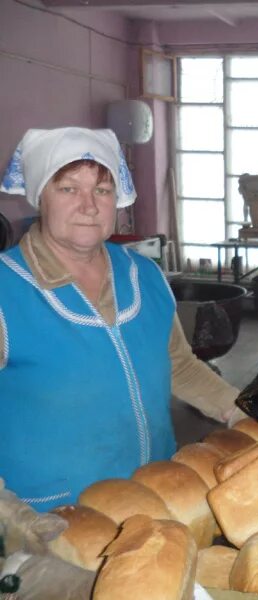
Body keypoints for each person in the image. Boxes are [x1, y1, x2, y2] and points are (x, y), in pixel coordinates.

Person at [0, 127, 241, 512]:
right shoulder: (6, 288)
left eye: (102, 189)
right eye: (67, 188)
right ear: (39, 197)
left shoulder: (145, 275)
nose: (89, 205)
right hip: (52, 520)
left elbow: (177, 365)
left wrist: (242, 409)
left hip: (155, 498)